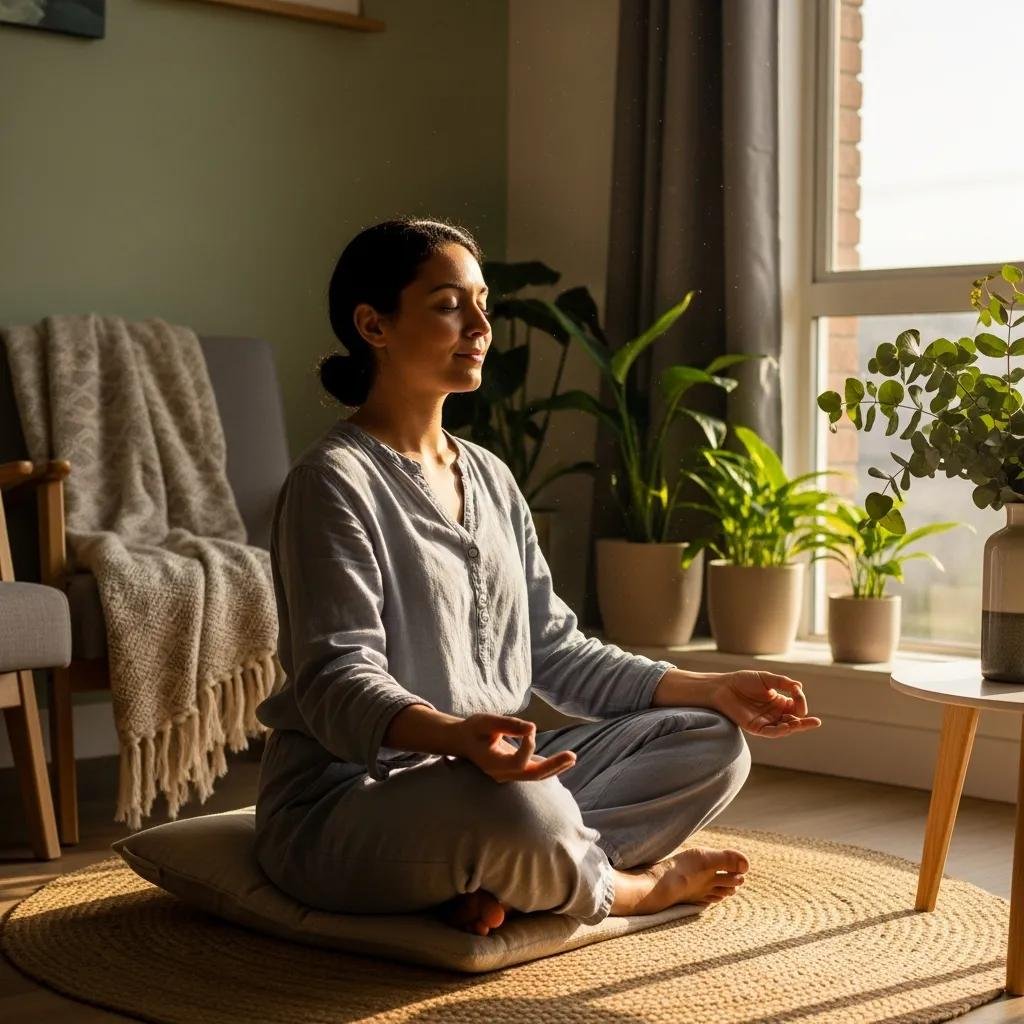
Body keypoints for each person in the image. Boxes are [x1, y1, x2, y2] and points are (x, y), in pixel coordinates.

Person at [253, 216, 822, 938]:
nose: (481, 324)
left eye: (483, 301)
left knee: (711, 740)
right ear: (374, 324)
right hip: (348, 804)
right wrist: (456, 738)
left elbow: (555, 651)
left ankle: (516, 880)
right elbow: (336, 680)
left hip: (485, 784)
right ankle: (635, 888)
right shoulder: (332, 482)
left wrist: (712, 688)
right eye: (449, 304)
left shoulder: (489, 476)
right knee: (523, 809)